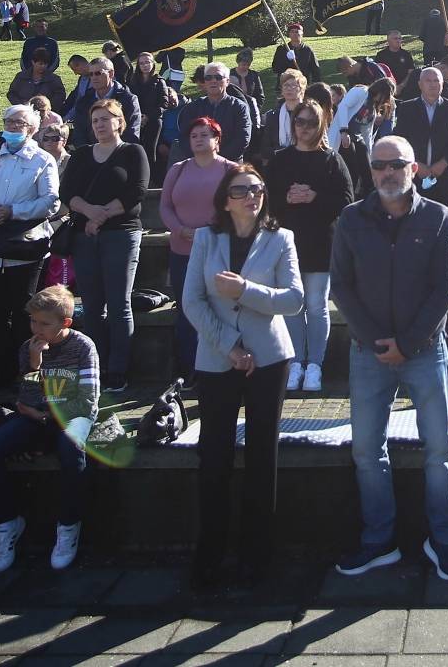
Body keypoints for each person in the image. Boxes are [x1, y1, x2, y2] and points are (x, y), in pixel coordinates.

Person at [330, 135, 448, 581]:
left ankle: (445, 539)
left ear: (413, 168)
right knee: (367, 450)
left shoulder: (438, 217)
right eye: (378, 165)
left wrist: (407, 342)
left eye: (396, 164)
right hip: (368, 354)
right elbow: (342, 287)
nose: (387, 173)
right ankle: (378, 540)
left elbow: (444, 287)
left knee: (439, 447)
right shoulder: (351, 219)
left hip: (425, 351)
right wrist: (374, 341)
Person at [183, 162, 302, 589]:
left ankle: (257, 554)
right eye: (241, 190)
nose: (251, 195)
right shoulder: (205, 237)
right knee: (213, 455)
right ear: (224, 199)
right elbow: (193, 301)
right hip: (217, 359)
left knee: (260, 457)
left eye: (257, 188)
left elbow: (294, 300)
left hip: (269, 359)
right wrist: (229, 347)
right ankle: (210, 552)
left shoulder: (280, 238)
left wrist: (246, 291)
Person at [0, 284, 97, 574]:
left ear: (65, 323)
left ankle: (68, 526)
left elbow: (87, 401)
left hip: (69, 418)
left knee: (71, 451)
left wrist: (45, 417)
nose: (37, 328)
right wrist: (34, 364)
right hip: (36, 416)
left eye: (45, 323)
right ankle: (7, 523)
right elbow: (26, 400)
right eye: (33, 321)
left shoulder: (83, 347)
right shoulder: (29, 348)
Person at [0, 104, 60, 391]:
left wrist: (12, 211)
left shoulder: (43, 159)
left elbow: (50, 201)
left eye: (19, 122)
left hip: (25, 247)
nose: (12, 126)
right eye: (8, 121)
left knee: (23, 311)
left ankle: (25, 371)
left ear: (31, 128)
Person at [59, 99, 149, 392]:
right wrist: (89, 212)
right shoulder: (82, 154)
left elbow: (136, 190)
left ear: (119, 121)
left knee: (119, 304)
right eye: (95, 120)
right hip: (85, 235)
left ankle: (119, 369)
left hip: (121, 233)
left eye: (105, 119)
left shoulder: (133, 151)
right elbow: (67, 191)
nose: (99, 124)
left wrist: (101, 216)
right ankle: (96, 364)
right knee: (93, 305)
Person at [266, 100, 353, 392]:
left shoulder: (331, 160)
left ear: (321, 126)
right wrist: (287, 199)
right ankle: (295, 363)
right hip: (287, 244)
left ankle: (315, 364)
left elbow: (346, 200)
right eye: (299, 122)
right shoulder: (279, 159)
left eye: (310, 123)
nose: (304, 128)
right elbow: (266, 201)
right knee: (292, 306)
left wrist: (314, 196)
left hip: (320, 242)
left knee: (316, 306)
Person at [159, 117, 238, 383]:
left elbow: (237, 208)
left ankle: (224, 363)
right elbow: (165, 206)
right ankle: (189, 370)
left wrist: (208, 232)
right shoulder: (178, 170)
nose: (199, 139)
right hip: (182, 250)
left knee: (220, 309)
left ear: (217, 139)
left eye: (205, 135)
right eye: (194, 135)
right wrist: (179, 229)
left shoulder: (230, 170)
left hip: (219, 249)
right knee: (187, 309)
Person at [393, 68, 448, 211]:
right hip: (414, 176)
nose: (433, 84)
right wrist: (415, 164)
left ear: (442, 84)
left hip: (444, 178)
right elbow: (399, 141)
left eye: (436, 81)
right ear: (420, 84)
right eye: (428, 81)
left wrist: (443, 163)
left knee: (444, 228)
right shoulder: (407, 108)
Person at [169, 62, 251, 163]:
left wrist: (216, 160)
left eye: (218, 77)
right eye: (208, 78)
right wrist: (201, 158)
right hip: (198, 164)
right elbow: (184, 138)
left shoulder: (239, 107)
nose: (213, 81)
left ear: (227, 81)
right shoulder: (193, 108)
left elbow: (242, 139)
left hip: (230, 165)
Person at [68, 58, 142, 149]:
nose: (94, 78)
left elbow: (132, 134)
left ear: (111, 73)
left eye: (98, 73)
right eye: (91, 74)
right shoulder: (84, 101)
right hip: (91, 154)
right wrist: (91, 153)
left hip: (120, 154)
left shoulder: (128, 100)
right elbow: (79, 134)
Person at [270, 23, 321, 90]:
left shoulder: (307, 50)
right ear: (289, 34)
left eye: (297, 32)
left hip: (302, 86)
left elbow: (315, 70)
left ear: (302, 34)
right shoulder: (282, 49)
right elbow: (275, 68)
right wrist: (287, 59)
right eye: (292, 32)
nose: (294, 34)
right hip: (285, 86)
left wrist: (315, 87)